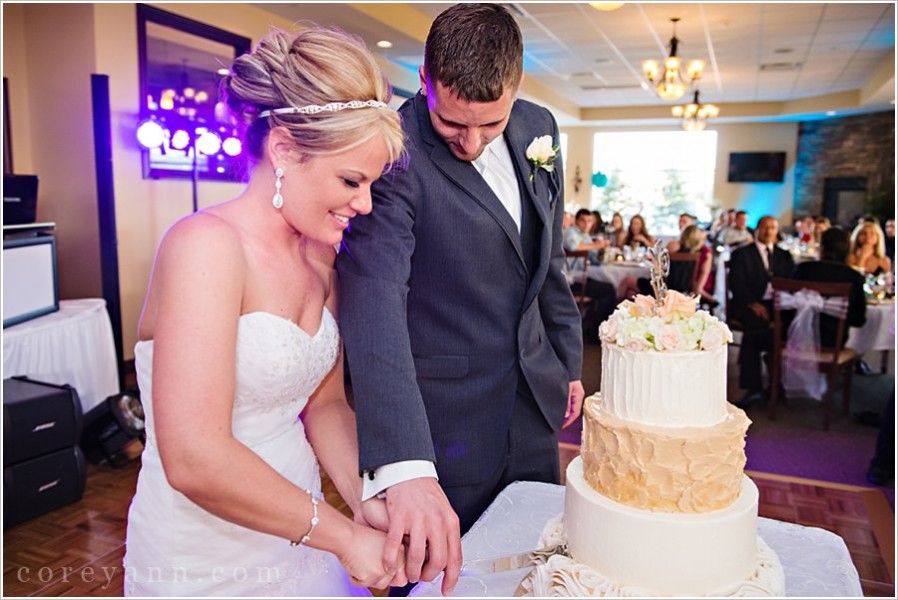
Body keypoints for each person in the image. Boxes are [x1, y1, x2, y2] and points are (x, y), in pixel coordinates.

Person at [123, 27, 408, 596]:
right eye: (351, 180)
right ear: (283, 150)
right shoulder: (203, 245)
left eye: (372, 183)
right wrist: (346, 538)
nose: (365, 202)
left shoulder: (323, 254)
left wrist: (367, 501)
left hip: (300, 530)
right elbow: (194, 456)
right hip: (202, 552)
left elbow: (324, 406)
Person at [336, 4, 584, 593]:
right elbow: (374, 306)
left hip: (533, 406)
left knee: (536, 567)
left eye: (490, 125)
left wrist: (566, 363)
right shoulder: (393, 153)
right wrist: (401, 465)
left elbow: (546, 260)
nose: (471, 143)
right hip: (445, 421)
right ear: (425, 82)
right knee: (441, 580)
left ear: (517, 89)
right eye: (452, 124)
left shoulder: (539, 128)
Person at [727, 216, 795, 407]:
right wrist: (753, 303)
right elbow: (737, 284)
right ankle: (753, 387)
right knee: (755, 327)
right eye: (764, 227)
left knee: (789, 327)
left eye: (772, 227)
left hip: (779, 304)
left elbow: (791, 283)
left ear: (777, 231)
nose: (768, 231)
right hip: (749, 303)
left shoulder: (784, 256)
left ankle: (778, 383)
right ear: (757, 230)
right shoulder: (742, 254)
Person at [792, 227, 866, 347]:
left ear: (821, 248)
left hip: (795, 338)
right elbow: (858, 320)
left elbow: (787, 304)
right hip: (832, 343)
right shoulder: (853, 277)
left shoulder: (803, 269)